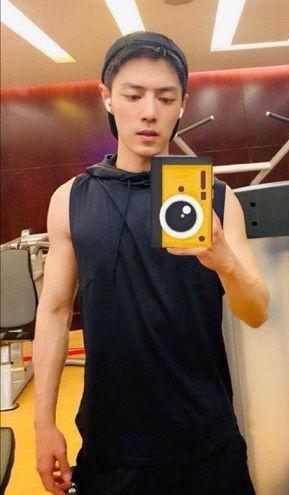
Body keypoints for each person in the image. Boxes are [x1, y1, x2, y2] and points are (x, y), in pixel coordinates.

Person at [33, 31, 269, 495]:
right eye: (133, 95)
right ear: (107, 97)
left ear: (182, 105)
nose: (149, 112)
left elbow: (257, 311)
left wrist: (224, 260)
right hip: (111, 443)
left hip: (206, 439)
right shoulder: (71, 200)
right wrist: (43, 424)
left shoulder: (218, 199)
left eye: (165, 98)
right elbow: (55, 312)